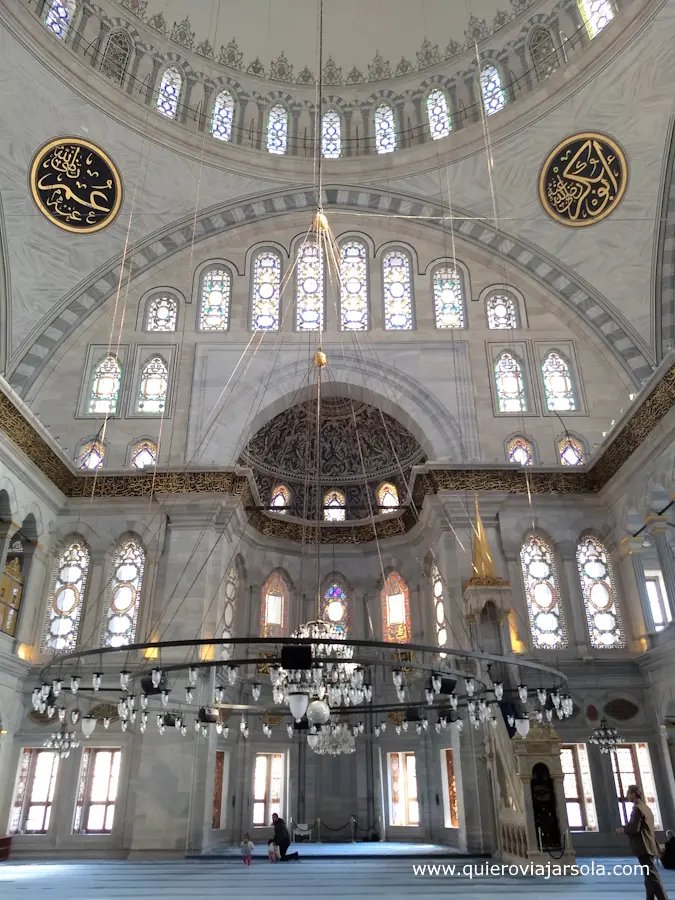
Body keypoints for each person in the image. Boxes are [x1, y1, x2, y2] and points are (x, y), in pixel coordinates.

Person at [617, 785, 669, 900]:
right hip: (648, 844)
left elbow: (634, 829)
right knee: (649, 877)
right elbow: (648, 829)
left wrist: (623, 829)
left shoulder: (638, 809)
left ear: (634, 794)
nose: (626, 795)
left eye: (628, 793)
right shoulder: (645, 807)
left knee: (652, 876)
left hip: (643, 846)